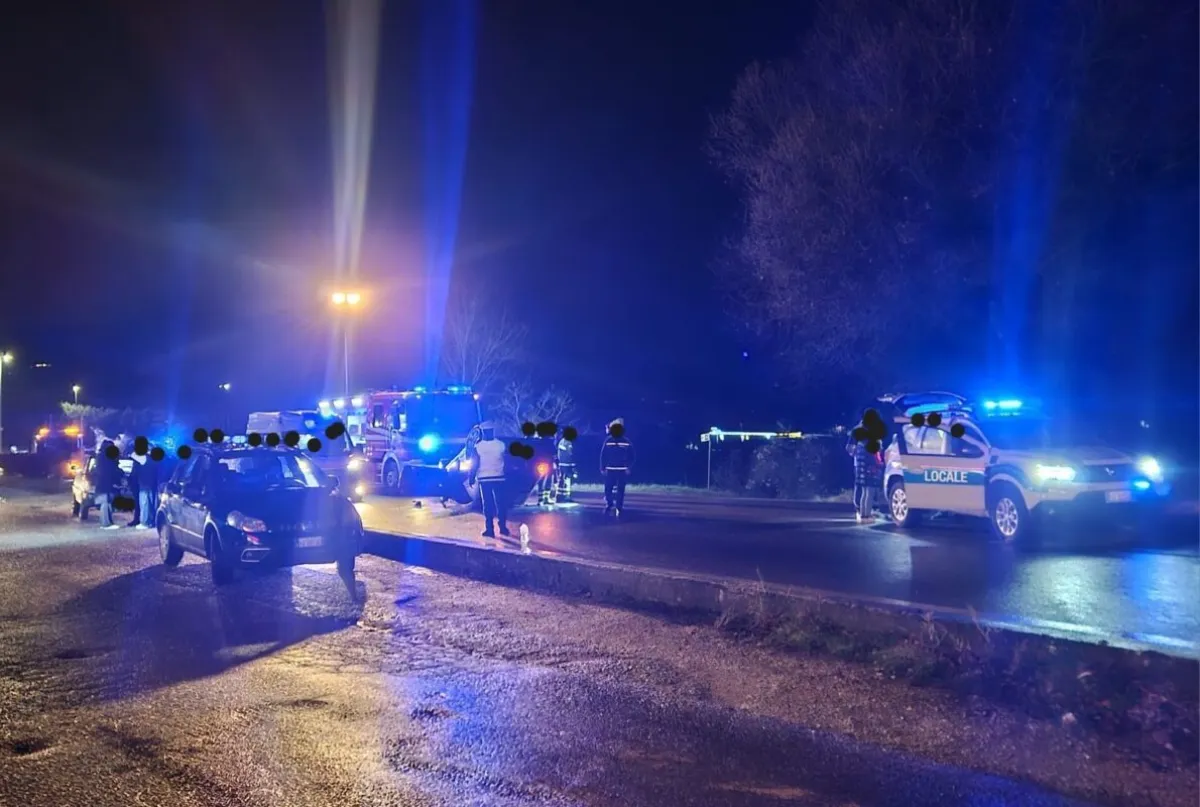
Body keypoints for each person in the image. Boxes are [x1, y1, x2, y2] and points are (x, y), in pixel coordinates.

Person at [467, 421, 510, 538]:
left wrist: (471, 477)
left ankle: (490, 529)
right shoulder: (501, 445)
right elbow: (507, 462)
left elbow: (474, 464)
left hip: (484, 479)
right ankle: (503, 527)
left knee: (488, 504)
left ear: (483, 432)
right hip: (499, 478)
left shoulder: (478, 446)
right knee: (501, 503)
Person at [600, 418, 635, 515]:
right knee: (608, 488)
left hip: (622, 469)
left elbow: (632, 456)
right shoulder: (608, 440)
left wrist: (629, 467)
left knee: (620, 489)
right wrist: (602, 467)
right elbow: (603, 455)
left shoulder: (626, 441)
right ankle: (609, 503)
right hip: (610, 469)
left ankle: (619, 506)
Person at [92, 440, 121, 530]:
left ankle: (108, 522)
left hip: (102, 483)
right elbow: (112, 469)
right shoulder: (106, 457)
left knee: (107, 502)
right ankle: (106, 523)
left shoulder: (100, 457)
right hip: (105, 483)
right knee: (105, 502)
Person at [132, 450, 158, 530]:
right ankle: (151, 522)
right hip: (152, 483)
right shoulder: (153, 458)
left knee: (145, 503)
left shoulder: (144, 458)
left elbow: (133, 454)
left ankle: (145, 522)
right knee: (151, 503)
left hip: (145, 484)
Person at [554, 435, 576, 502]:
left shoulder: (562, 442)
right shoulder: (567, 442)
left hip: (562, 464)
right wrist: (573, 465)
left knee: (562, 480)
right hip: (566, 464)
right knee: (566, 480)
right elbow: (570, 454)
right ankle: (564, 496)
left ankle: (560, 496)